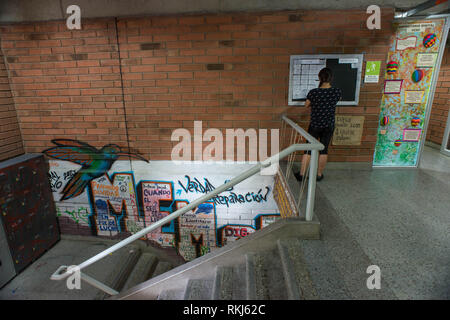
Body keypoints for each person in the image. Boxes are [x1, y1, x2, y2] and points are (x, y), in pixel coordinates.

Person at [294, 67, 341, 182]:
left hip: (315, 124)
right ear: (331, 78)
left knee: (308, 149)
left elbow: (306, 105)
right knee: (324, 150)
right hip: (328, 125)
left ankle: (301, 174)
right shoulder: (336, 91)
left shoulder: (314, 92)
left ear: (319, 78)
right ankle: (319, 175)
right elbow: (337, 100)